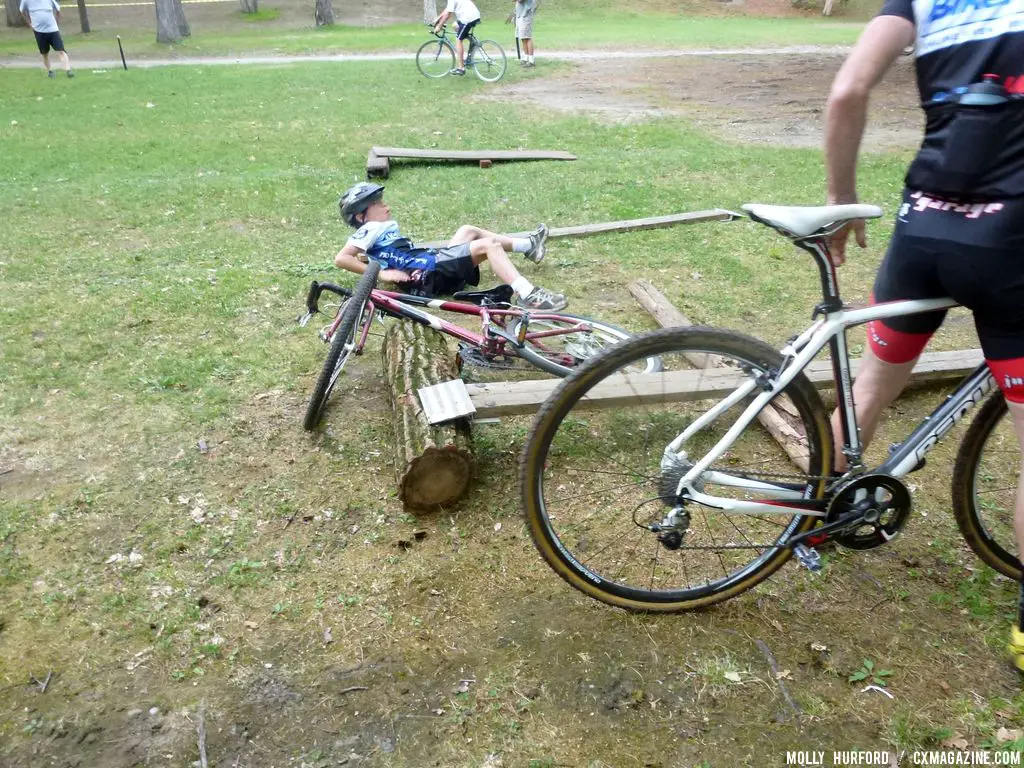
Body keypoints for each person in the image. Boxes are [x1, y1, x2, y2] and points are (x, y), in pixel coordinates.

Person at [823, 0, 1023, 666]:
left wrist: (839, 199)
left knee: (870, 386)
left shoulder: (920, 1)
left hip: (922, 232)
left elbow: (849, 88)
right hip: (1011, 245)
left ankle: (813, 517)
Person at [334, 182, 568, 311]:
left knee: (468, 231)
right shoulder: (368, 229)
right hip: (429, 273)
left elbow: (375, 256)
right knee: (488, 245)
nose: (386, 207)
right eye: (378, 204)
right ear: (361, 216)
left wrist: (381, 265)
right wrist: (383, 273)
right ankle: (528, 294)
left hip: (431, 265)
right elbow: (342, 258)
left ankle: (529, 245)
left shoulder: (375, 230)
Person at [19, 0, 73, 79]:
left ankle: (68, 71)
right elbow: (22, 11)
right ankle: (50, 71)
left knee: (61, 50)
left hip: (53, 30)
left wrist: (57, 23)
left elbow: (58, 10)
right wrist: (30, 24)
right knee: (45, 53)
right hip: (39, 31)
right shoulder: (26, 1)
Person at [433, 0, 481, 76]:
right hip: (473, 15)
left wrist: (439, 26)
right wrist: (438, 18)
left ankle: (461, 68)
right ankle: (471, 41)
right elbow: (448, 10)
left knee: (458, 40)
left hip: (468, 18)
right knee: (455, 25)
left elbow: (447, 15)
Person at [507, 0, 537, 68]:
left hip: (525, 16)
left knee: (527, 37)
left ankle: (531, 60)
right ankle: (526, 58)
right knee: (523, 38)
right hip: (520, 15)